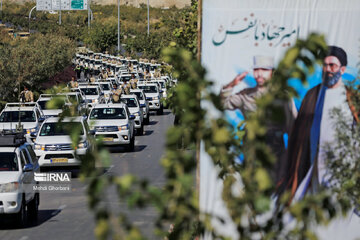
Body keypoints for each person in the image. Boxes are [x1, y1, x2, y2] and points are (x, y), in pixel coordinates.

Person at [276, 46, 359, 201]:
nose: (327, 69)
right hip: (312, 165)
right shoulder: (312, 95)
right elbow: (299, 129)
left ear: (342, 69)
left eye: (332, 65)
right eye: (324, 65)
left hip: (341, 170)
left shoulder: (351, 99)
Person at [221, 56, 297, 179]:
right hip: (252, 153)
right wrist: (231, 85)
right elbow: (223, 104)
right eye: (256, 70)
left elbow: (293, 127)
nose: (260, 74)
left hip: (276, 153)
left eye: (265, 70)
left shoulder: (283, 96)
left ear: (272, 72)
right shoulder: (246, 95)